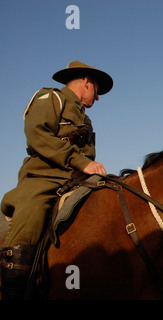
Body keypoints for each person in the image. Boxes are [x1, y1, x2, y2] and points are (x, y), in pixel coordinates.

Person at [0, 60, 113, 299]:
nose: (98, 98)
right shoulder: (50, 98)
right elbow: (37, 135)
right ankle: (14, 289)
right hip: (44, 178)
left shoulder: (86, 120)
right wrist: (82, 163)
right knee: (31, 210)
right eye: (97, 91)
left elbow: (88, 157)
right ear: (86, 82)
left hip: (77, 179)